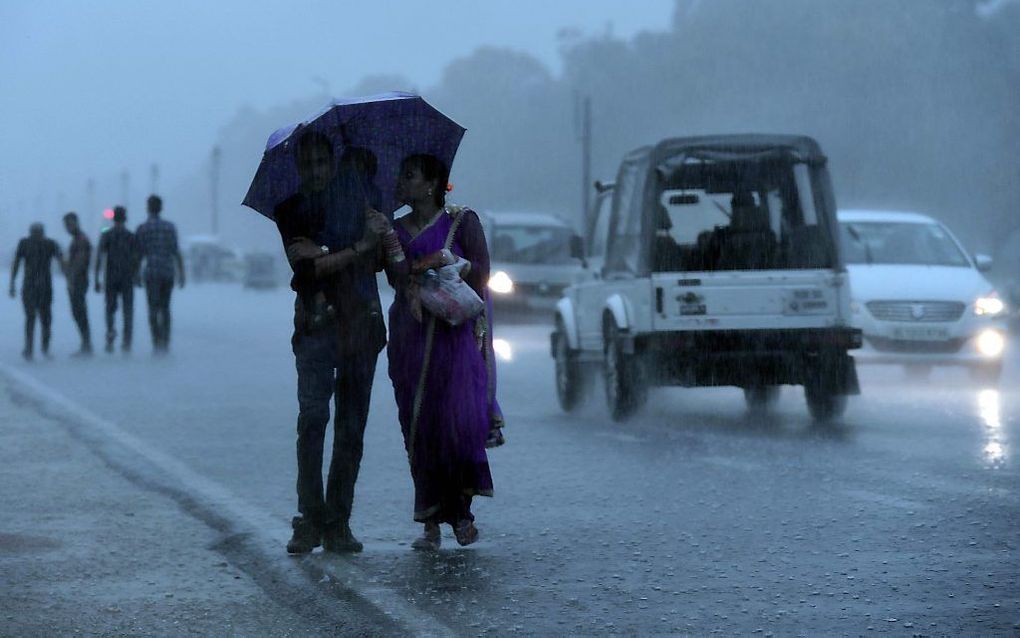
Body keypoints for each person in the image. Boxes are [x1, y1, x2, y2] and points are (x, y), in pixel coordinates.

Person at [273, 130, 399, 554]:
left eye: (321, 163)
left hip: (361, 327)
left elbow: (379, 261)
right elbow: (304, 272)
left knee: (351, 428)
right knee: (312, 420)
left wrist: (337, 249)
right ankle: (308, 518)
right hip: (315, 328)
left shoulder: (362, 203)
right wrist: (357, 246)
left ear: (333, 163)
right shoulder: (289, 209)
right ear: (298, 168)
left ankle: (338, 521)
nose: (315, 172)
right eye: (306, 165)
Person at [387, 153, 497, 550]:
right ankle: (430, 519)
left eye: (409, 175)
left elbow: (483, 271)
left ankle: (462, 513)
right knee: (421, 426)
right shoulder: (394, 228)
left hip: (455, 337)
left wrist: (447, 260)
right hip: (411, 334)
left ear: (432, 183)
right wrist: (387, 245)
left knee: (458, 422)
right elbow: (395, 277)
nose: (402, 181)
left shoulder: (461, 222)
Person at [135, 195, 185, 354]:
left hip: (151, 272)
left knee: (152, 308)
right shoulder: (170, 227)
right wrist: (182, 273)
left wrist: (136, 273)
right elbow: (176, 252)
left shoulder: (143, 228)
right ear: (161, 208)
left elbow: (139, 253)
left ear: (148, 208)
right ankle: (166, 341)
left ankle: (156, 341)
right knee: (165, 307)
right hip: (167, 271)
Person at [9, 223, 63, 360]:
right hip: (40, 286)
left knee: (35, 318)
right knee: (42, 318)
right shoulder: (49, 244)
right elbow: (62, 261)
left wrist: (12, 283)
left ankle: (32, 348)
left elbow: (16, 263)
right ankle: (38, 348)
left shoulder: (27, 243)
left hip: (34, 286)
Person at [95, 206, 139, 353]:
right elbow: (136, 258)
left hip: (111, 277)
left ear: (114, 219)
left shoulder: (107, 235)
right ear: (125, 219)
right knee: (128, 311)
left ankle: (110, 336)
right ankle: (127, 342)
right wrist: (137, 275)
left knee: (110, 310)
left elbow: (99, 257)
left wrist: (96, 278)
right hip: (127, 277)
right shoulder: (131, 236)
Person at [63, 212, 93, 356]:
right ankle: (86, 343)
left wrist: (72, 279)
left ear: (76, 223)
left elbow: (80, 262)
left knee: (79, 311)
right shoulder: (77, 239)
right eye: (66, 225)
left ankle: (86, 345)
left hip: (78, 281)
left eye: (69, 224)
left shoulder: (80, 239)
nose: (67, 228)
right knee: (78, 311)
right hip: (78, 279)